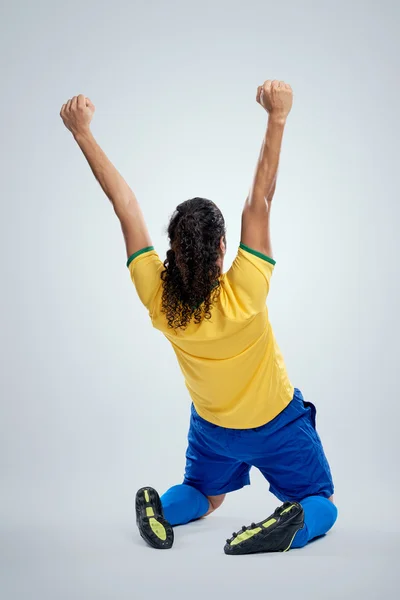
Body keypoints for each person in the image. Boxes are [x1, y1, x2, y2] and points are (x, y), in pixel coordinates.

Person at [60, 80, 338, 555]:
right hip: (275, 425)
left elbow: (124, 206)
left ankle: (163, 509)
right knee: (322, 501)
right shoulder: (246, 290)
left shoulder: (158, 301)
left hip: (213, 431)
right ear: (224, 250)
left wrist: (82, 132)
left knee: (205, 495)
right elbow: (261, 200)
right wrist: (277, 117)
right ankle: (293, 523)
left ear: (171, 251)